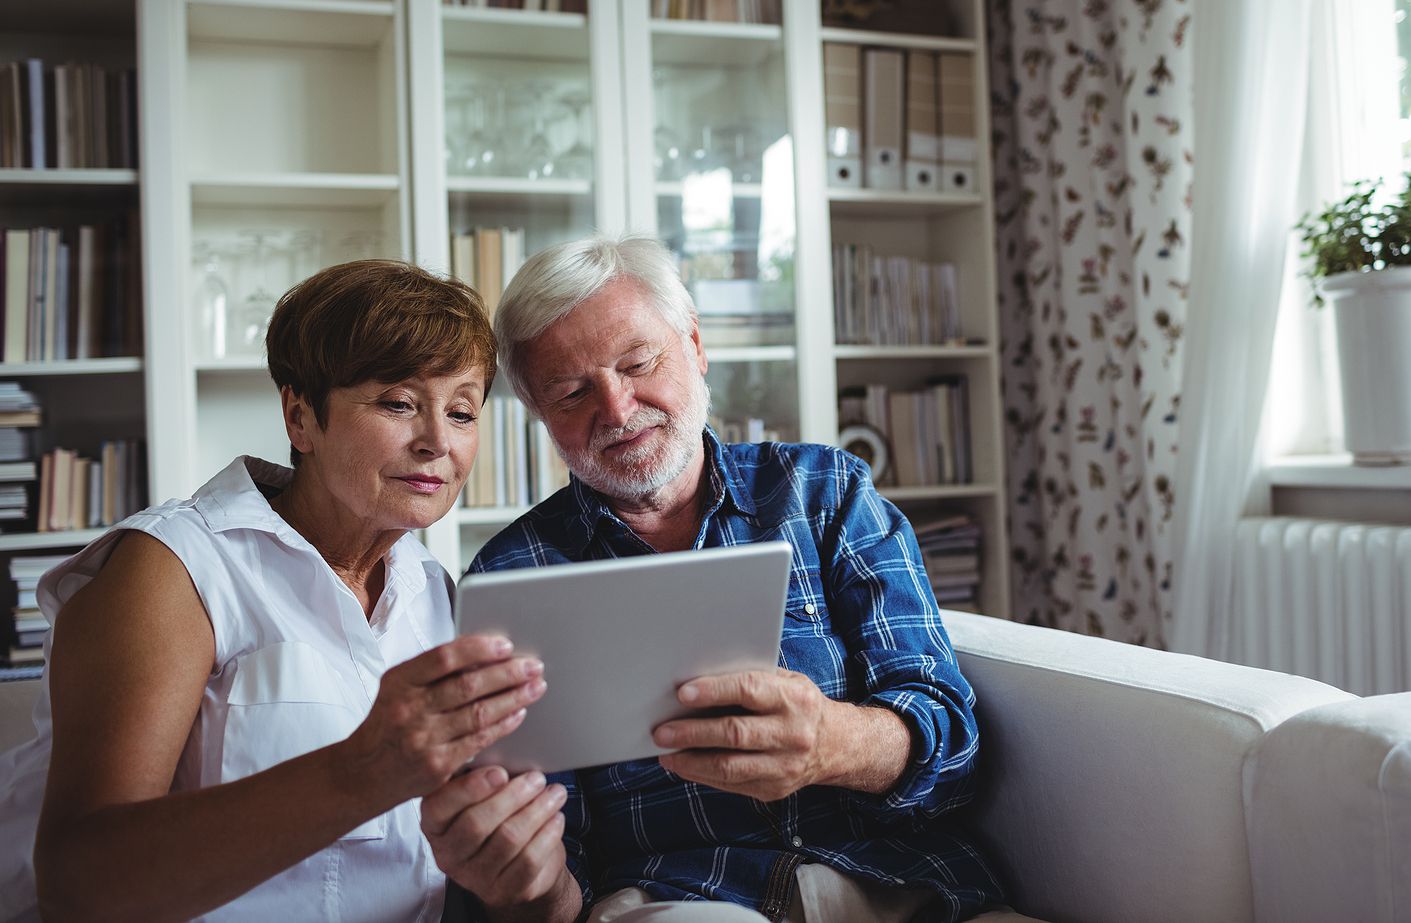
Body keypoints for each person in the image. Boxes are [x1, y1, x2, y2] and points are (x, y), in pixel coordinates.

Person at [454, 236, 1035, 923]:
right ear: (541, 416)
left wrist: (833, 742)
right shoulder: (511, 575)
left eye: (639, 362)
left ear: (696, 346)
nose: (615, 409)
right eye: (573, 391)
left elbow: (953, 740)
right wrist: (532, 884)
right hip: (685, 897)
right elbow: (557, 870)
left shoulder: (826, 492)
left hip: (906, 883)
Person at [0, 261, 568, 922]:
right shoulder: (172, 569)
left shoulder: (437, 592)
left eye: (463, 410)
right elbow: (79, 884)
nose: (438, 441)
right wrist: (359, 771)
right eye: (399, 403)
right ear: (301, 418)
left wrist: (519, 871)